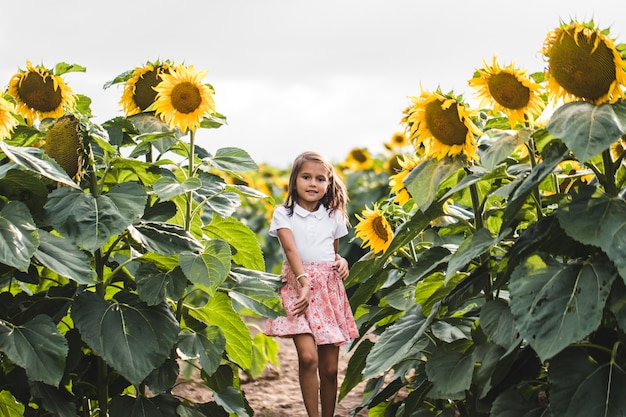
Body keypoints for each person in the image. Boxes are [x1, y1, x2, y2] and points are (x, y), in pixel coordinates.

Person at [265, 151, 359, 417]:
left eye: (320, 179)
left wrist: (342, 263)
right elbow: (291, 250)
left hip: (328, 291)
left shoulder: (334, 216)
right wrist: (303, 281)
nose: (312, 184)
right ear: (294, 180)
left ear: (329, 184)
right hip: (298, 289)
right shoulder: (283, 214)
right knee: (308, 358)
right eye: (306, 177)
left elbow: (332, 252)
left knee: (329, 369)